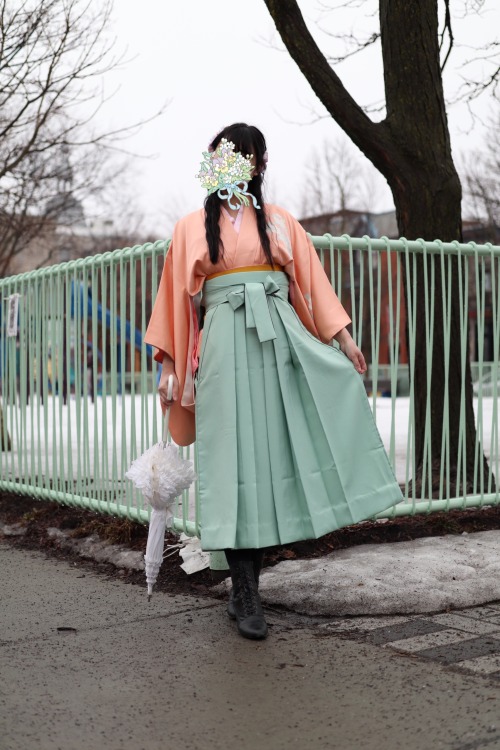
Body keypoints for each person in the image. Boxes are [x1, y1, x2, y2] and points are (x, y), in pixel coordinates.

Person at [145, 123, 403, 641]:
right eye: (228, 155)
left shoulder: (281, 222)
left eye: (248, 156)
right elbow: (175, 297)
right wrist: (170, 364)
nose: (239, 164)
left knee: (268, 463)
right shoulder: (192, 227)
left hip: (279, 344)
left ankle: (249, 587)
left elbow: (312, 282)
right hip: (222, 347)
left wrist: (344, 339)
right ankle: (244, 592)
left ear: (261, 165)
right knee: (231, 462)